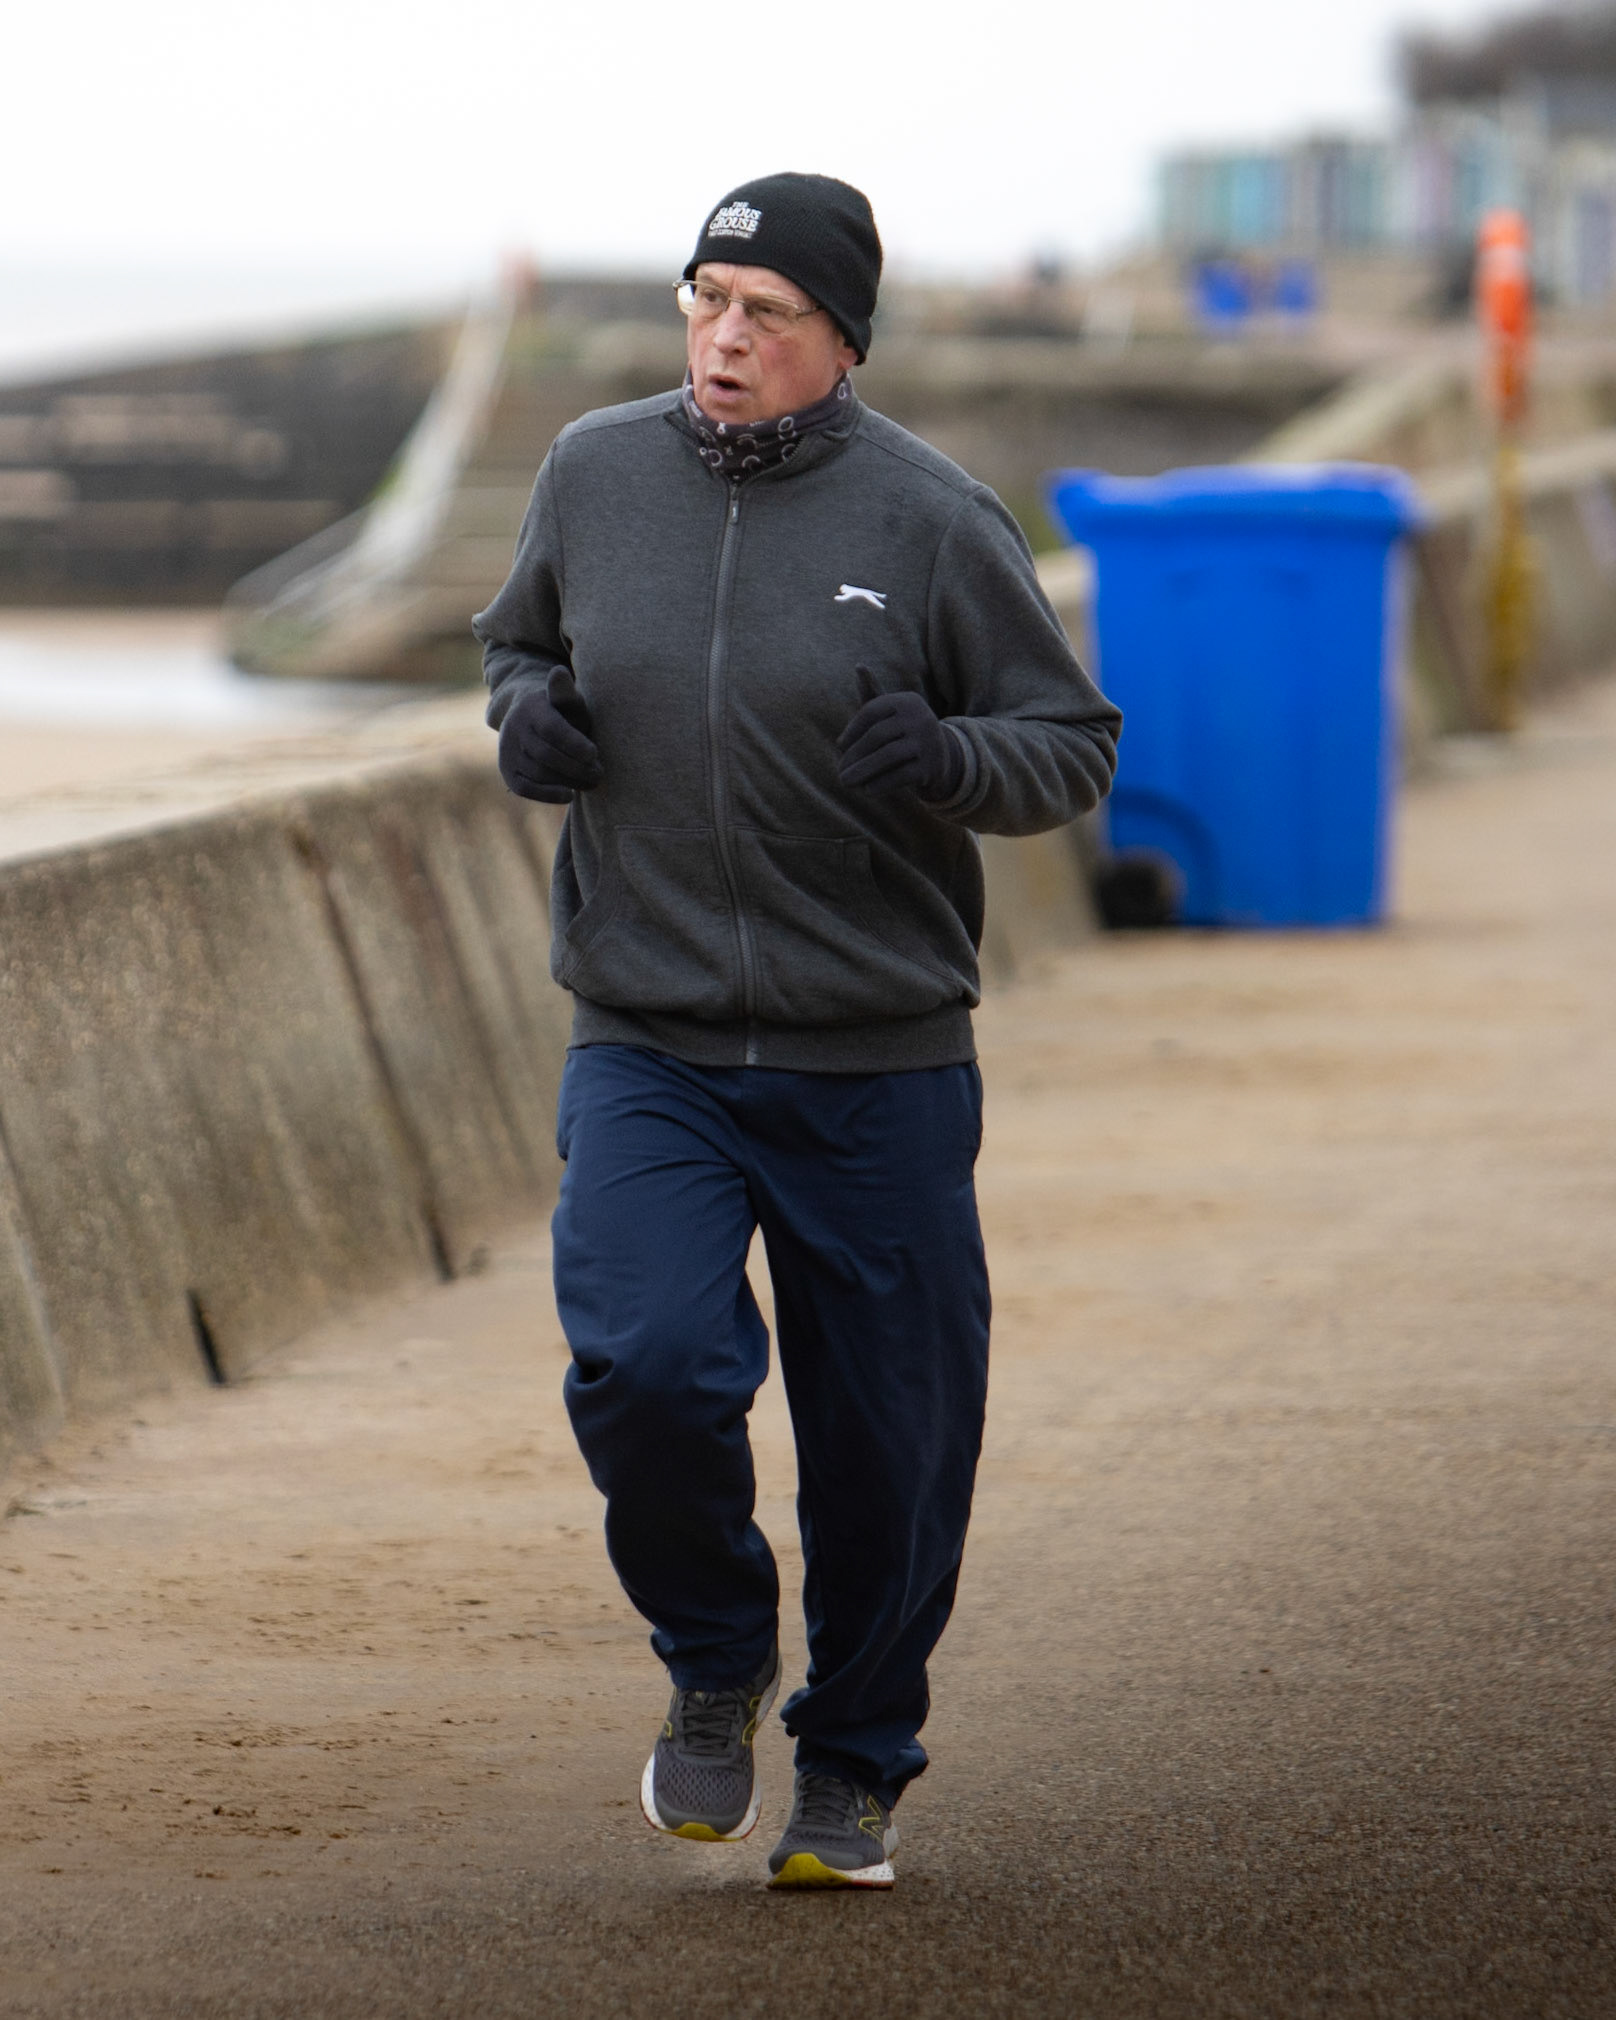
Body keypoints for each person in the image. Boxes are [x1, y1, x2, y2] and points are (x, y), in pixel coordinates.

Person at [474, 172, 1120, 1890]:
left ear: (845, 340)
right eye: (705, 298)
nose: (724, 336)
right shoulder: (593, 472)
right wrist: (526, 718)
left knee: (890, 1444)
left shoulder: (932, 517)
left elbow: (1070, 743)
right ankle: (714, 1657)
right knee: (645, 1366)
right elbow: (515, 647)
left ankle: (855, 1760)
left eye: (766, 312)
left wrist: (954, 758)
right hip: (650, 1035)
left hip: (876, 1055)